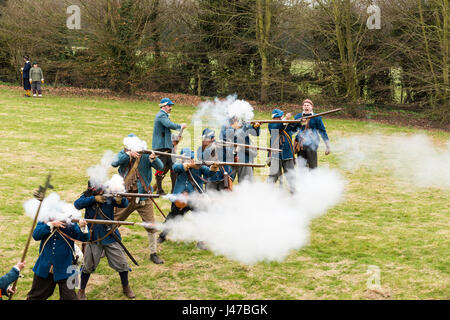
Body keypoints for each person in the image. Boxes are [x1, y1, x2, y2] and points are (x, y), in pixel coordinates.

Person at [74, 182, 135, 299]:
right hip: (94, 237)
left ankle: (126, 287)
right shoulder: (87, 196)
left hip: (110, 235)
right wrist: (93, 199)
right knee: (88, 266)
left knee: (122, 263)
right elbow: (77, 204)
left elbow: (124, 204)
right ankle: (81, 290)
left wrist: (118, 200)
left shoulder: (110, 194)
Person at [112, 134, 165, 264]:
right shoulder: (124, 154)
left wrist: (153, 159)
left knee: (151, 226)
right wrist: (129, 155)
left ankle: (153, 253)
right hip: (126, 197)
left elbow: (160, 167)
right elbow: (114, 163)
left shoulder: (146, 155)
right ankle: (106, 247)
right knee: (113, 223)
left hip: (144, 197)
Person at [157, 148, 218, 247]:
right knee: (172, 218)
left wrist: (214, 167)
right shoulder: (179, 165)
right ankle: (162, 236)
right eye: (186, 159)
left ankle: (201, 241)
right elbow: (175, 168)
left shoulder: (199, 166)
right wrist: (189, 165)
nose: (188, 160)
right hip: (181, 197)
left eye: (190, 158)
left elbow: (209, 173)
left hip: (195, 197)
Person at [26, 218, 89, 300]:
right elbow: (36, 235)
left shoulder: (70, 222)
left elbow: (84, 238)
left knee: (71, 298)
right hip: (46, 266)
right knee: (35, 297)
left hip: (69, 267)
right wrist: (51, 224)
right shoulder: (44, 219)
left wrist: (83, 227)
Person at [152, 98, 187, 195]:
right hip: (161, 147)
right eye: (169, 106)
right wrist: (180, 126)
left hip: (167, 146)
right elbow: (169, 125)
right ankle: (159, 190)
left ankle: (174, 190)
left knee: (174, 168)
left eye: (171, 106)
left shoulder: (165, 115)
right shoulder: (161, 115)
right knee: (160, 168)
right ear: (163, 106)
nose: (170, 107)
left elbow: (166, 132)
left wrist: (176, 137)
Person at [220, 117, 261, 182]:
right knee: (226, 183)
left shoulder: (243, 123)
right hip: (230, 158)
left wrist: (256, 127)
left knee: (246, 184)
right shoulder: (226, 125)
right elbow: (224, 140)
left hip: (245, 157)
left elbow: (256, 133)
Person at [293, 99, 331, 169]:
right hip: (300, 145)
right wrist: (299, 122)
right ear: (302, 107)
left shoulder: (317, 117)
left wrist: (327, 145)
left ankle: (312, 179)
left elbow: (322, 131)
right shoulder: (298, 116)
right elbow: (293, 129)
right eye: (304, 105)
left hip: (312, 144)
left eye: (308, 105)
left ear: (312, 107)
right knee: (301, 166)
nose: (306, 107)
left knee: (312, 167)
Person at [267, 108, 296, 194]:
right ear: (275, 118)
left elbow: (296, 126)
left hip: (287, 154)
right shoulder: (271, 124)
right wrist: (286, 119)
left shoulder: (286, 123)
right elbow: (278, 127)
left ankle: (293, 194)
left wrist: (302, 120)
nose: (281, 118)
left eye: (281, 116)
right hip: (276, 155)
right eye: (279, 116)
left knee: (291, 175)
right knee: (274, 175)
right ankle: (267, 193)